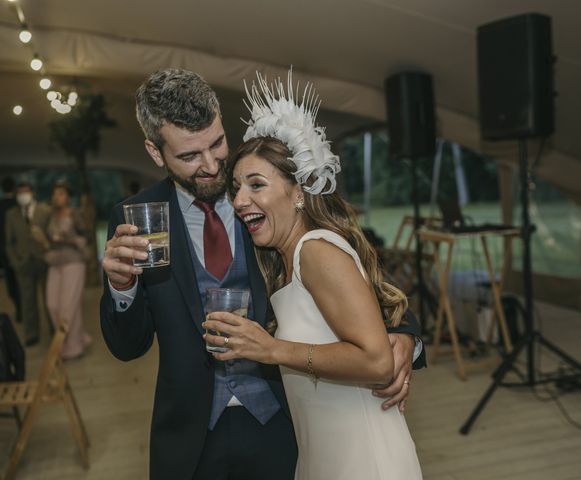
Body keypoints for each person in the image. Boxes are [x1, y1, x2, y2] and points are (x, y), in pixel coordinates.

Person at [100, 68, 424, 480]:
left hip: (285, 423)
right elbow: (128, 346)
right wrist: (121, 287)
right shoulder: (138, 221)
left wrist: (403, 337)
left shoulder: (266, 197)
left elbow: (360, 277)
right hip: (191, 436)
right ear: (154, 151)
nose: (211, 165)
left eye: (217, 143)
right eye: (188, 156)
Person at [204, 72, 423, 479]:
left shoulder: (316, 250)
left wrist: (271, 350)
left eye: (256, 184)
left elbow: (376, 361)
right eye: (235, 188)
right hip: (322, 449)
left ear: (299, 191)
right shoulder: (281, 257)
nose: (239, 200)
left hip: (360, 457)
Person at [44, 182, 92, 359]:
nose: (57, 197)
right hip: (55, 262)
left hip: (73, 261)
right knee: (52, 304)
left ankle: (73, 346)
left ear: (68, 197)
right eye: (55, 194)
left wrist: (68, 239)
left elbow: (86, 237)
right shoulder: (51, 216)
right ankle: (74, 338)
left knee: (68, 306)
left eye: (61, 194)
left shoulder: (75, 214)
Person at [5, 181, 50, 346]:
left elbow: (51, 234)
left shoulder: (44, 210)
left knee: (49, 298)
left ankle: (54, 328)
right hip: (23, 263)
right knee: (27, 299)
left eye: (26, 191)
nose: (23, 195)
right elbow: (9, 242)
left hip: (44, 260)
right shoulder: (11, 214)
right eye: (20, 192)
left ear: (32, 193)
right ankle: (31, 334)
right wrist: (15, 262)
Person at [0, 176, 20, 322]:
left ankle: (19, 309)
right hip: (20, 251)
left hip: (4, 251)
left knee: (12, 282)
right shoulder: (17, 206)